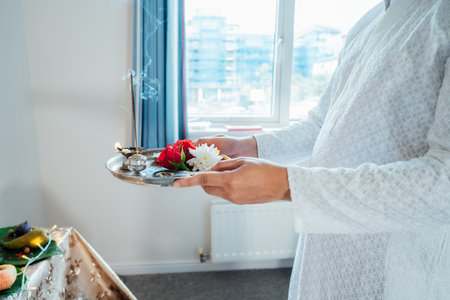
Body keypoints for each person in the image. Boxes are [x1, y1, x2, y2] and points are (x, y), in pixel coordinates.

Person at [175, 0, 450, 298]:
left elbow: (444, 180)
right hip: (326, 243)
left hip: (400, 263)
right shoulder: (369, 20)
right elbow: (323, 122)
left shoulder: (441, 14)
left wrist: (288, 185)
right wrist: (247, 146)